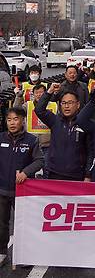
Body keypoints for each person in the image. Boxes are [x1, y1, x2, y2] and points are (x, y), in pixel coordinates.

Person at [0, 107, 44, 265]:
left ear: (23, 120)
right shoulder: (1, 138)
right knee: (2, 224)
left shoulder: (32, 140)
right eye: (9, 119)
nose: (12, 123)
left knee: (23, 224)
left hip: (22, 191)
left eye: (16, 119)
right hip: (2, 190)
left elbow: (40, 160)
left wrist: (25, 172)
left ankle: (25, 255)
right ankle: (2, 253)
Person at [35, 83, 88, 181]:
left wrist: (88, 175)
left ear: (78, 104)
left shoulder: (85, 124)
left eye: (70, 103)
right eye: (63, 103)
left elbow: (90, 151)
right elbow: (39, 110)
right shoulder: (55, 121)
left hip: (76, 175)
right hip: (54, 172)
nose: (66, 106)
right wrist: (49, 91)